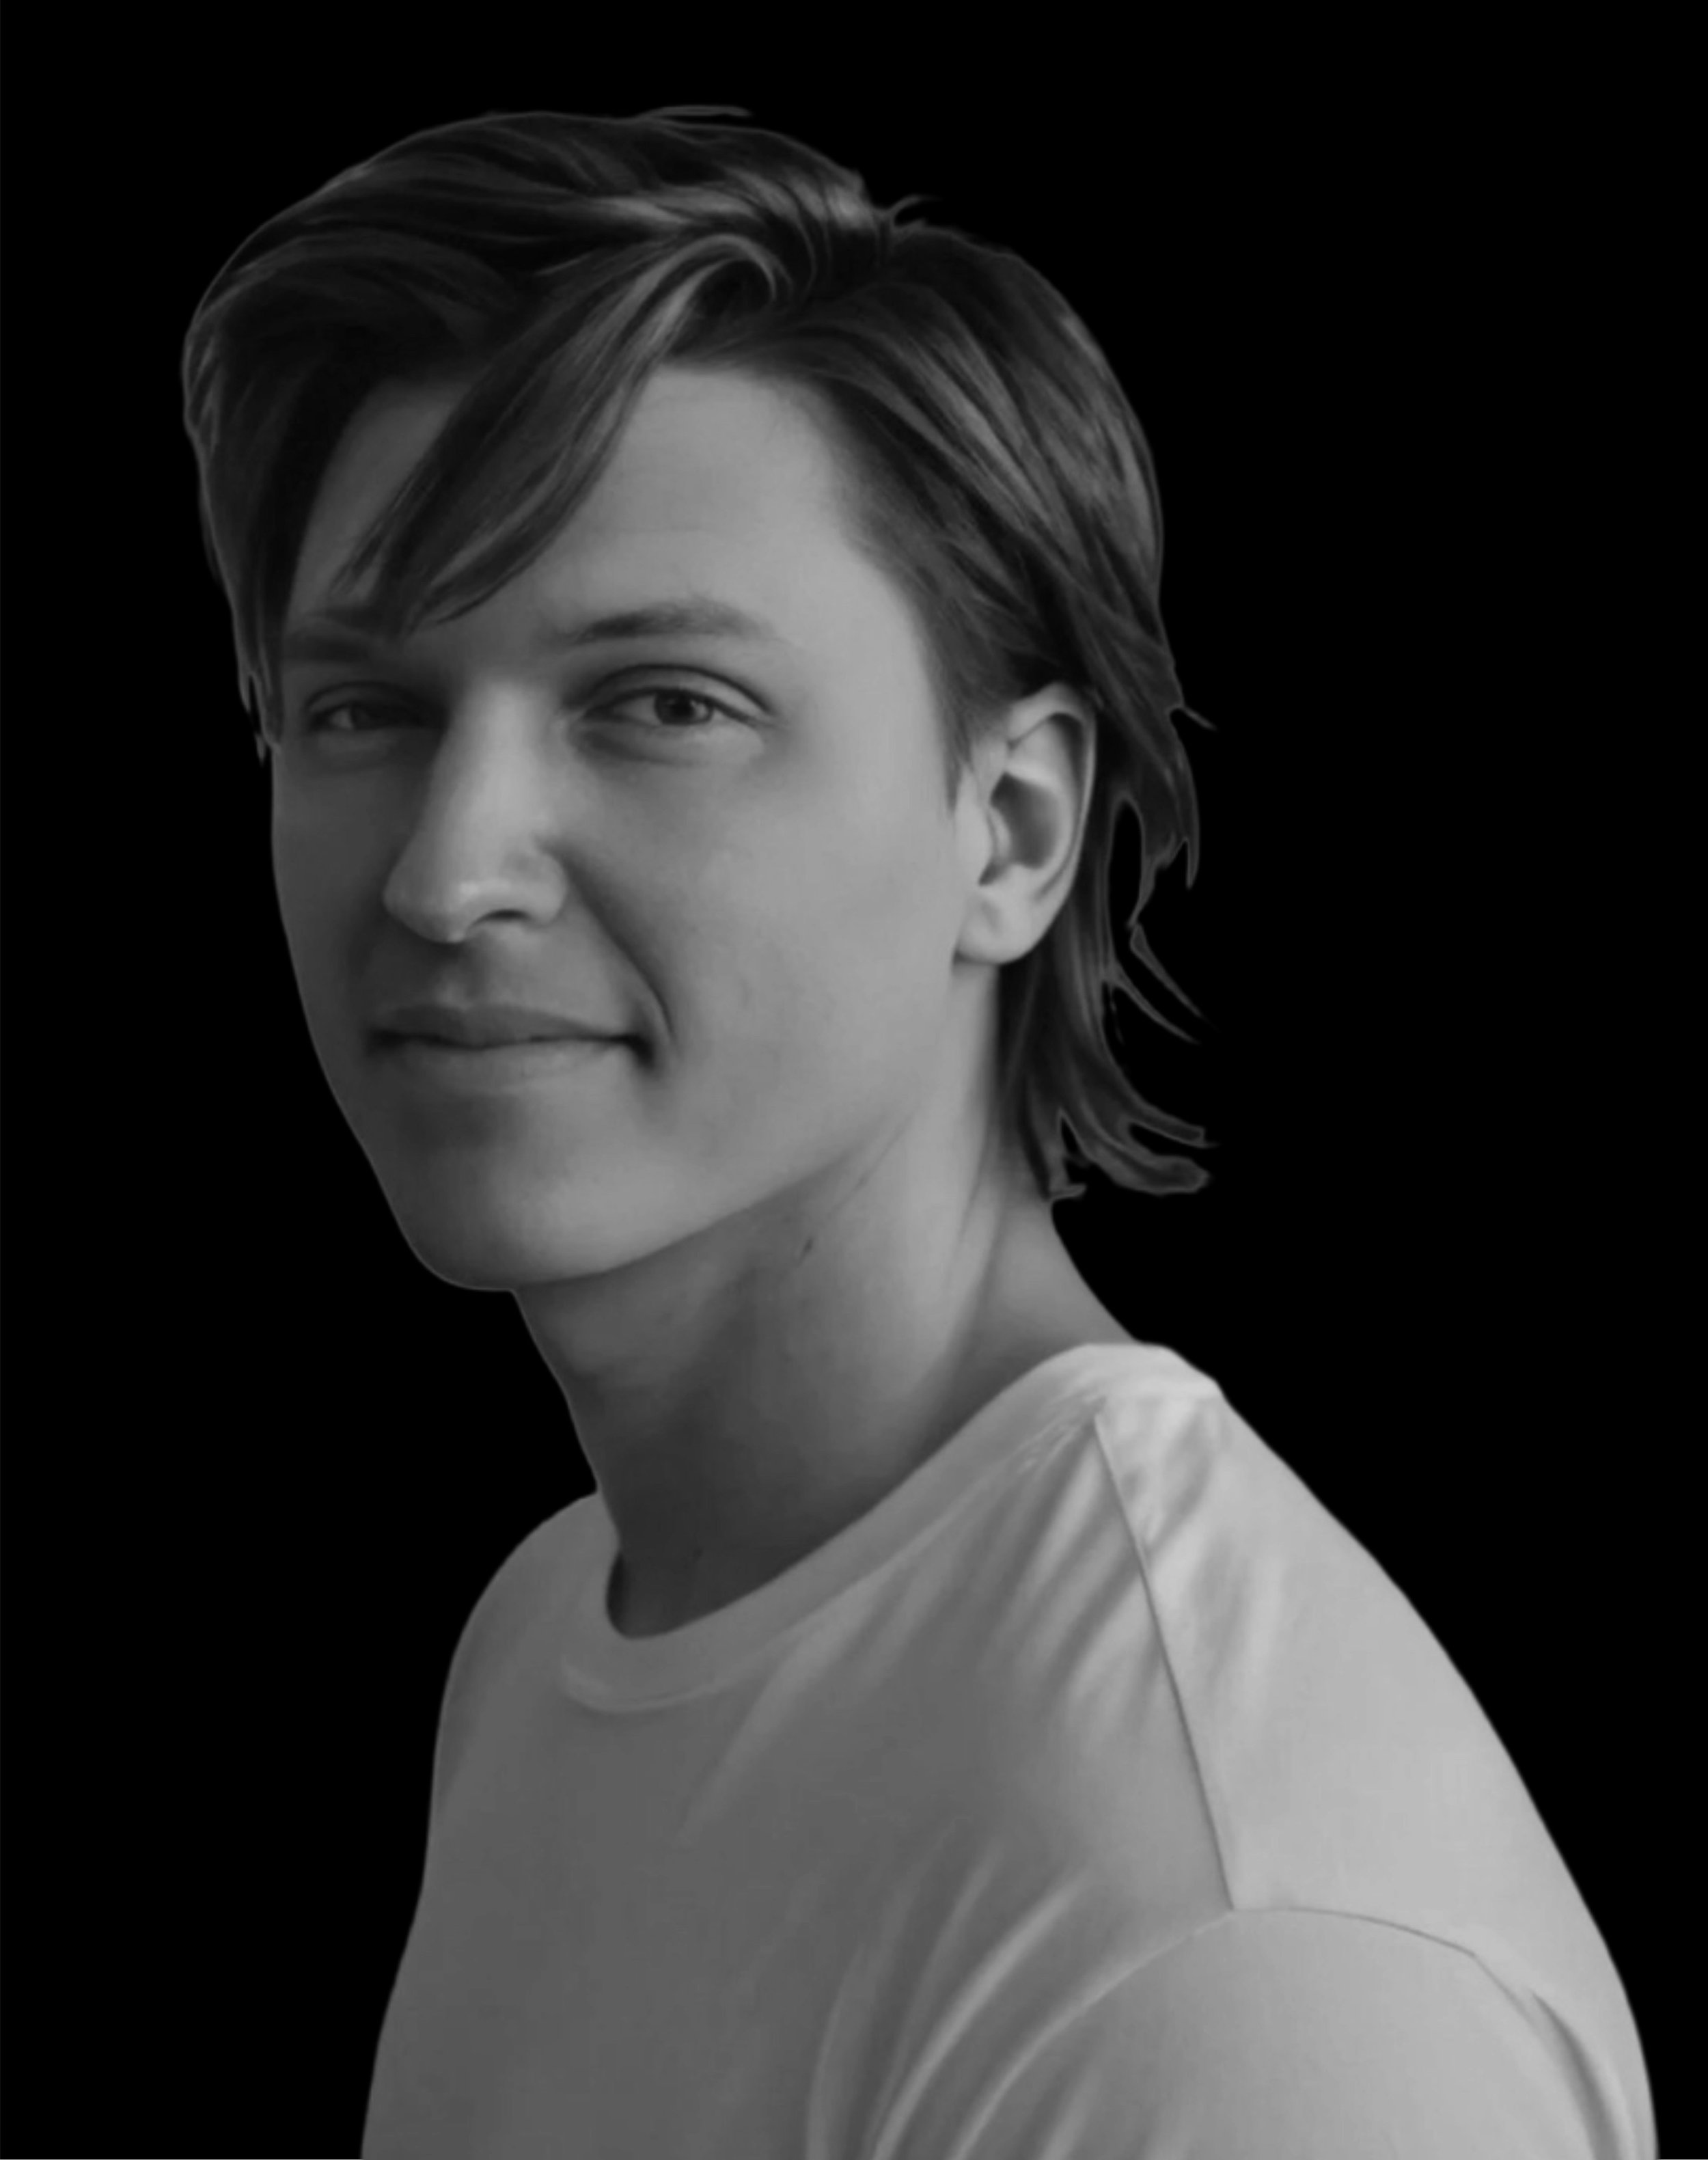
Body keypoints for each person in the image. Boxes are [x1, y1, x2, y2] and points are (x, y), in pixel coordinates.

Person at [181, 106, 1655, 2159]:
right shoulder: (561, 1627)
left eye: (662, 702)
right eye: (366, 708)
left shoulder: (1233, 1950)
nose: (446, 872)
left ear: (1012, 831)